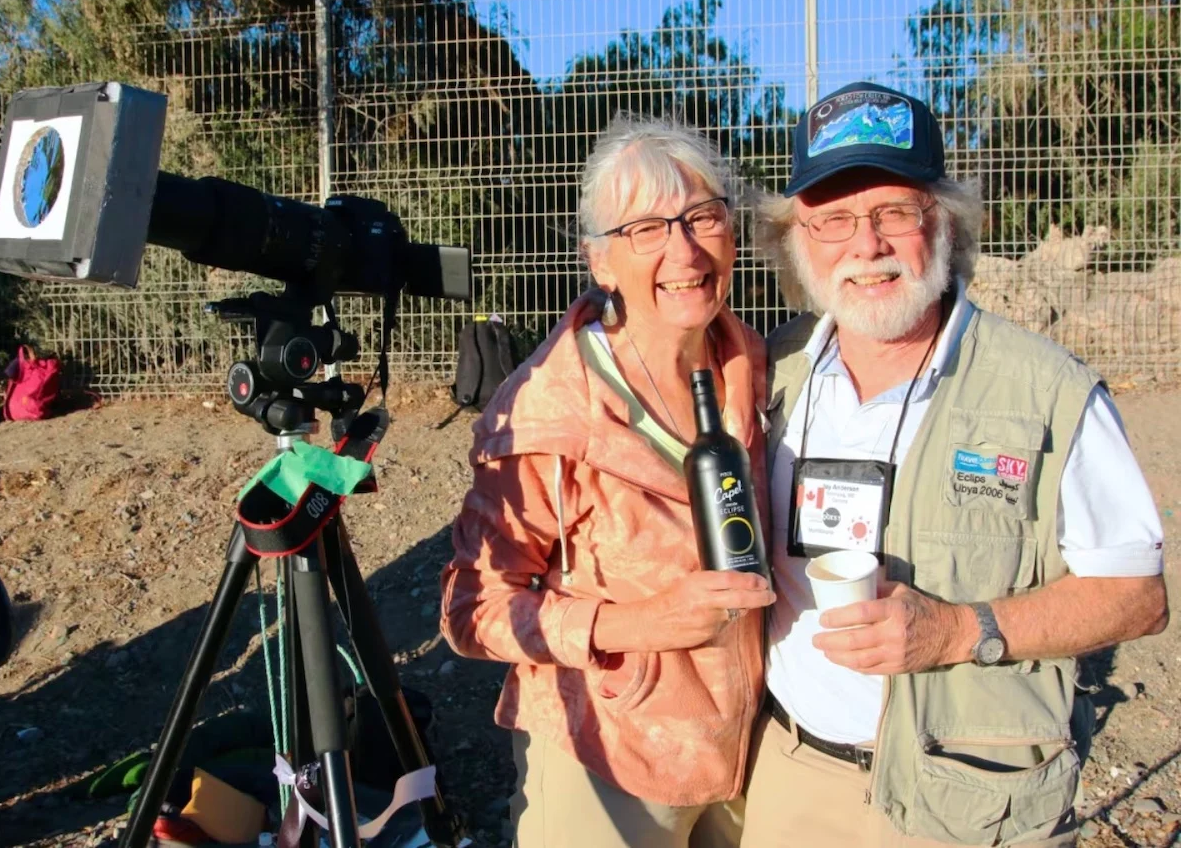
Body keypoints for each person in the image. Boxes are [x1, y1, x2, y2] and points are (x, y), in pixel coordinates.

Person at [745, 82, 1169, 847]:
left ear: (943, 222)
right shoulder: (771, 374)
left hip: (971, 800)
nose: (865, 245)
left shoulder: (1048, 391)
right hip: (791, 773)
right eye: (834, 219)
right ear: (797, 240)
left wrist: (960, 631)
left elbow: (1137, 595)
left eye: (893, 212)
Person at [439, 116, 774, 848]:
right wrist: (640, 623)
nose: (684, 250)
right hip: (612, 752)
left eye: (703, 217)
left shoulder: (756, 365)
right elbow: (471, 610)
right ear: (600, 262)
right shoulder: (543, 411)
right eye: (646, 229)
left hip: (753, 747)